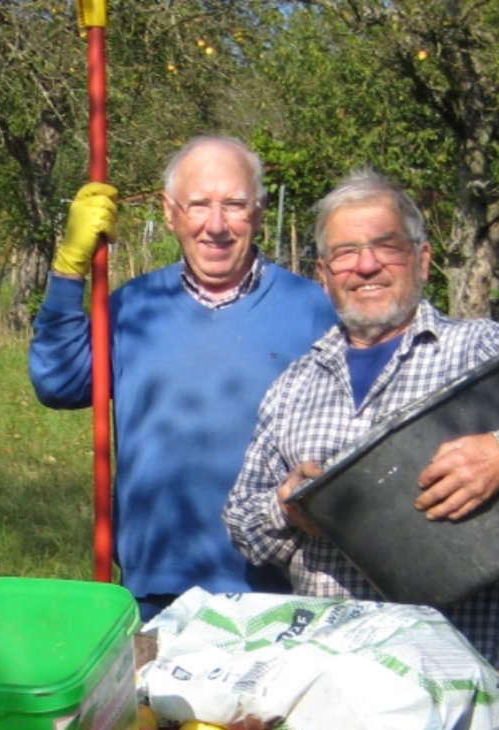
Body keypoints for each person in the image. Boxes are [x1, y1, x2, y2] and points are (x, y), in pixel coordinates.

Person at [223, 168, 499, 668]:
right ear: (324, 275)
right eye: (345, 253)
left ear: (423, 259)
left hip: (451, 673)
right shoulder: (295, 384)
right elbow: (241, 519)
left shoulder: (479, 350)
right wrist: (286, 507)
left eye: (387, 246)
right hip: (326, 673)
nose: (366, 265)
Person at [29, 136, 338, 618]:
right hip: (156, 585)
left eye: (234, 205)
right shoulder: (134, 307)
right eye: (198, 205)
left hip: (277, 585)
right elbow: (58, 381)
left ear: (258, 212)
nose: (216, 226)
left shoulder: (313, 310)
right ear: (170, 213)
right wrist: (69, 270)